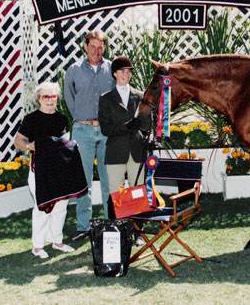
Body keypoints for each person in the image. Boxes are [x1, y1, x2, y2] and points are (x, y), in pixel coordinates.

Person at [14, 82, 75, 259]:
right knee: (42, 207)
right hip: (38, 170)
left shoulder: (62, 119)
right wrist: (31, 146)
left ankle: (57, 241)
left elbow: (64, 143)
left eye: (53, 96)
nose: (50, 100)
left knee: (61, 206)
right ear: (39, 99)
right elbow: (18, 142)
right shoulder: (31, 119)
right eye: (46, 96)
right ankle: (38, 246)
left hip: (59, 170)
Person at [64, 30, 115, 241]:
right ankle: (83, 226)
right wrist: (81, 118)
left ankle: (112, 223)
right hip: (82, 131)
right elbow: (69, 97)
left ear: (104, 48)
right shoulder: (74, 70)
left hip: (106, 131)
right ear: (85, 46)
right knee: (83, 180)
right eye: (92, 46)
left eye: (100, 47)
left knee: (108, 179)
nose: (96, 51)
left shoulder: (112, 69)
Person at [98, 56, 152, 204]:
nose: (126, 74)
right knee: (116, 192)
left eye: (129, 71)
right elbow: (105, 128)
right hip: (115, 150)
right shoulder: (106, 98)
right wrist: (126, 126)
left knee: (138, 190)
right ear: (114, 73)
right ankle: (119, 224)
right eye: (122, 71)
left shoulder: (140, 96)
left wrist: (141, 124)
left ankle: (137, 224)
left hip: (137, 149)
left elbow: (147, 124)